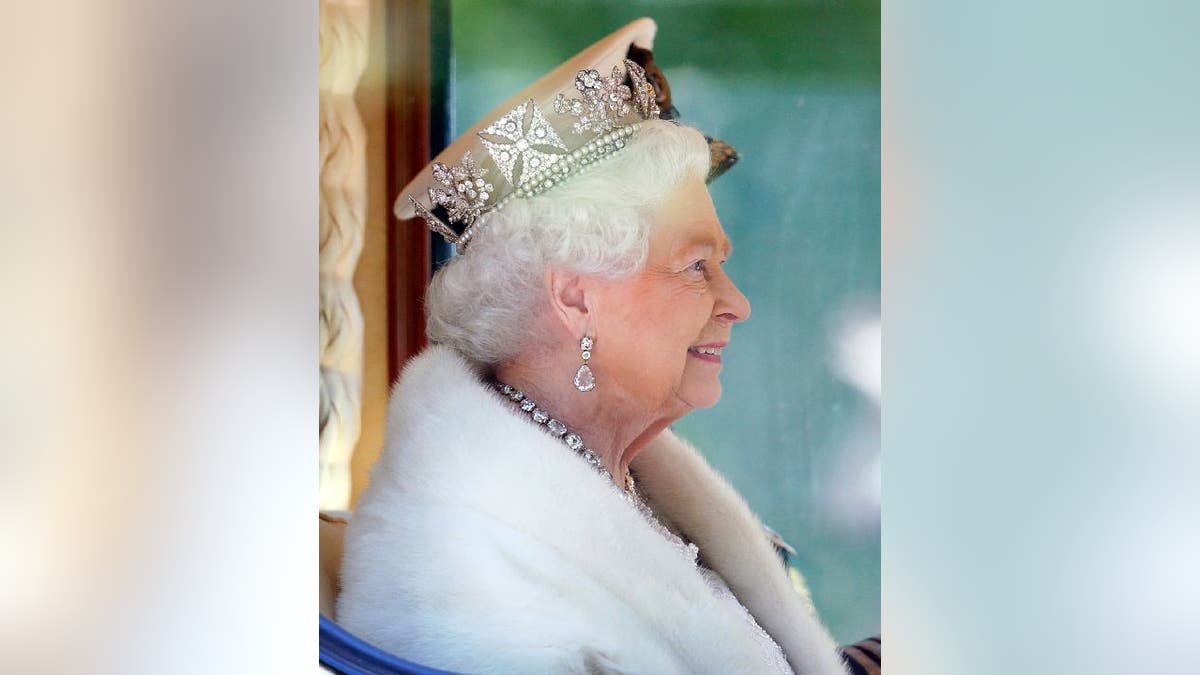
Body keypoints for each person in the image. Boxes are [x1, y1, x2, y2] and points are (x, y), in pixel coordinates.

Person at [337, 18, 852, 675]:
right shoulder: (470, 577)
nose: (736, 302)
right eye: (696, 265)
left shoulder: (624, 485)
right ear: (577, 298)